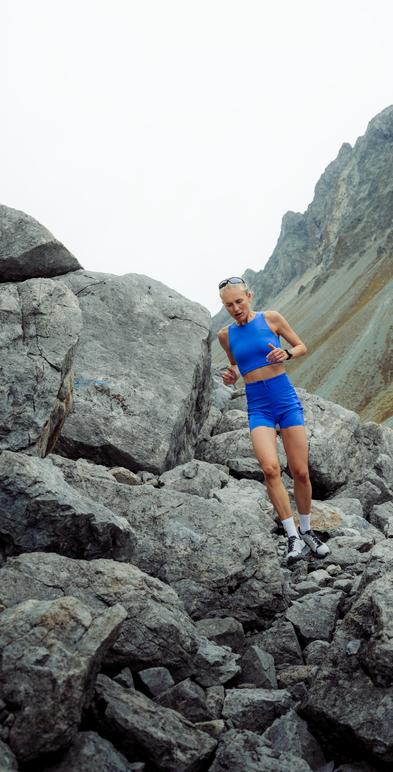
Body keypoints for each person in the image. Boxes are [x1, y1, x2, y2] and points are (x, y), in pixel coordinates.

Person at [217, 276, 330, 565]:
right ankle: (292, 537)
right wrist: (232, 375)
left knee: (301, 472)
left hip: (284, 399)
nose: (235, 308)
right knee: (269, 469)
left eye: (239, 301)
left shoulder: (272, 318)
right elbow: (235, 365)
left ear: (249, 296)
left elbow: (302, 346)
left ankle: (307, 531)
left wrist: (287, 352)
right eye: (229, 305)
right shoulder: (225, 335)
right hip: (258, 405)